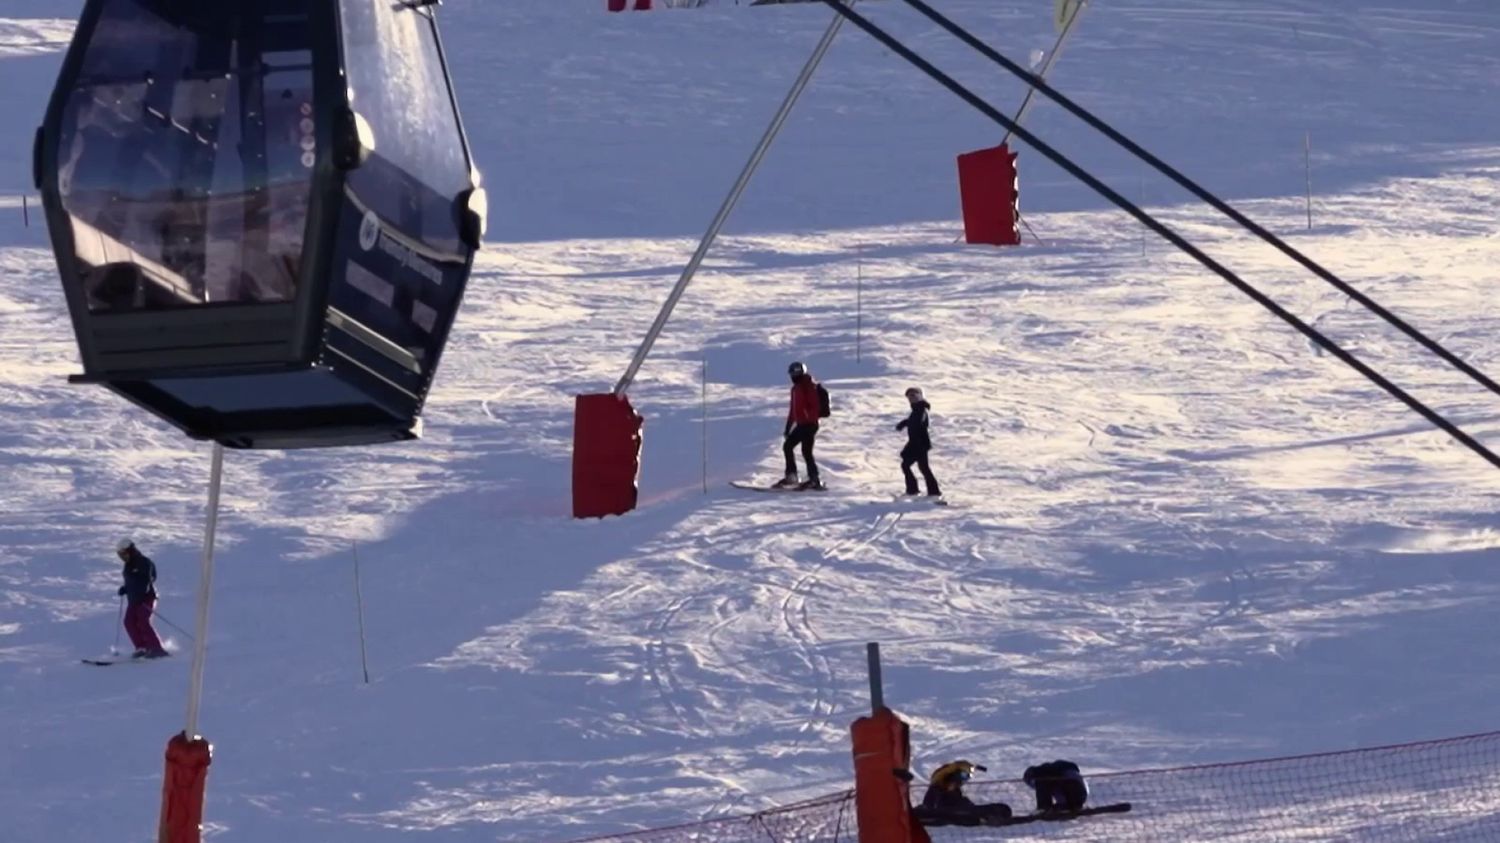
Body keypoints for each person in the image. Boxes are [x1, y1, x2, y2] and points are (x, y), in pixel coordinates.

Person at [912, 760, 1012, 827]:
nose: (964, 780)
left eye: (967, 777)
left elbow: (966, 807)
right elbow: (932, 811)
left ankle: (993, 813)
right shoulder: (936, 791)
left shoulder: (956, 792)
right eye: (963, 776)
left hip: (961, 811)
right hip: (950, 813)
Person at [116, 539, 168, 659]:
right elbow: (131, 581)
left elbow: (149, 578)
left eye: (124, 554)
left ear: (131, 551)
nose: (123, 557)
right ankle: (142, 647)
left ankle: (156, 648)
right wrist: (125, 588)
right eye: (121, 555)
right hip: (133, 599)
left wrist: (142, 591)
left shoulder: (144, 562)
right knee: (129, 622)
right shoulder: (128, 565)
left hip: (146, 598)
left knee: (143, 620)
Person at [777, 361, 824, 491]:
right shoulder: (795, 389)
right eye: (791, 374)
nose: (792, 377)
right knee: (789, 447)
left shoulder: (809, 386)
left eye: (794, 374)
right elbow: (793, 410)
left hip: (810, 424)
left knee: (805, 451)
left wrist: (808, 417)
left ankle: (814, 479)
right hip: (802, 424)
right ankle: (793, 476)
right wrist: (788, 427)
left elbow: (814, 406)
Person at [895, 387, 941, 497]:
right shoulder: (917, 409)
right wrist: (904, 423)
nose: (911, 398)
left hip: (919, 444)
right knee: (923, 468)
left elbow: (918, 422)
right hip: (919, 444)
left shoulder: (920, 409)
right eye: (909, 397)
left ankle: (913, 490)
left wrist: (908, 424)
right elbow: (914, 421)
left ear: (920, 396)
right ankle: (932, 492)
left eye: (914, 396)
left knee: (906, 465)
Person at [1023, 760, 1088, 814]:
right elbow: (1060, 794)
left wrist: (1046, 808)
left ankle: (1044, 807)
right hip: (1081, 795)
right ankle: (1046, 808)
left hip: (1075, 790)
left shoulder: (1043, 775)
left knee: (1042, 781)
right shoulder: (1055, 773)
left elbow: (1058, 793)